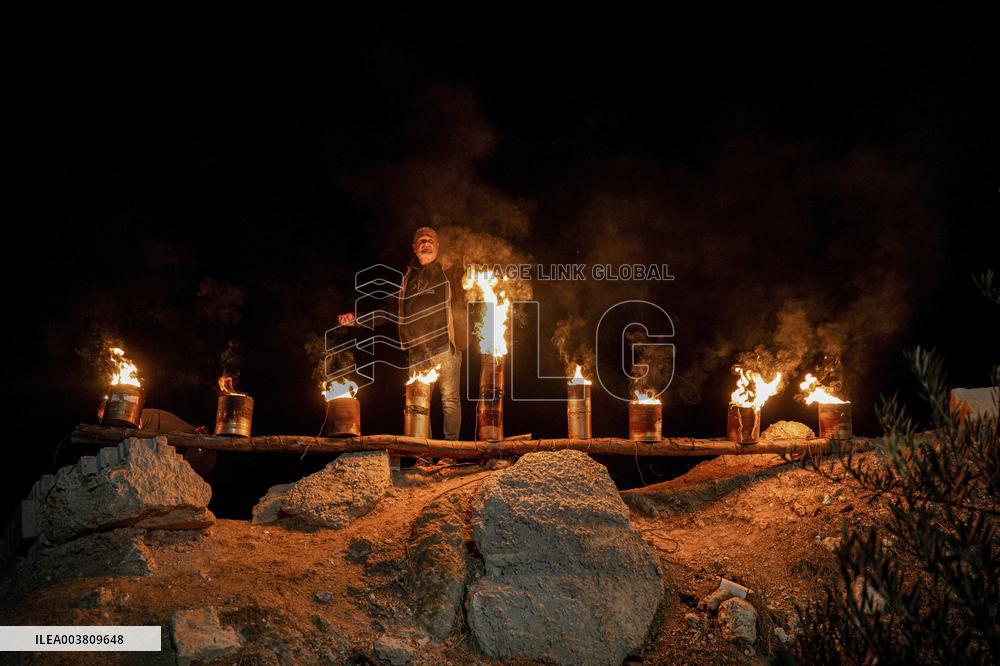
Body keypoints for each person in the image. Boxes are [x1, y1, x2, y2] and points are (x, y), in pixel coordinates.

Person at [339, 226, 467, 440]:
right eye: (421, 241)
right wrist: (357, 319)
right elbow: (388, 311)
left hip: (445, 346)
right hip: (417, 350)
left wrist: (471, 266)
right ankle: (423, 454)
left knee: (450, 400)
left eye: (430, 240)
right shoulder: (407, 280)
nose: (426, 243)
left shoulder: (450, 271)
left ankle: (450, 453)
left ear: (437, 246)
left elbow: (469, 279)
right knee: (418, 403)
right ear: (414, 247)